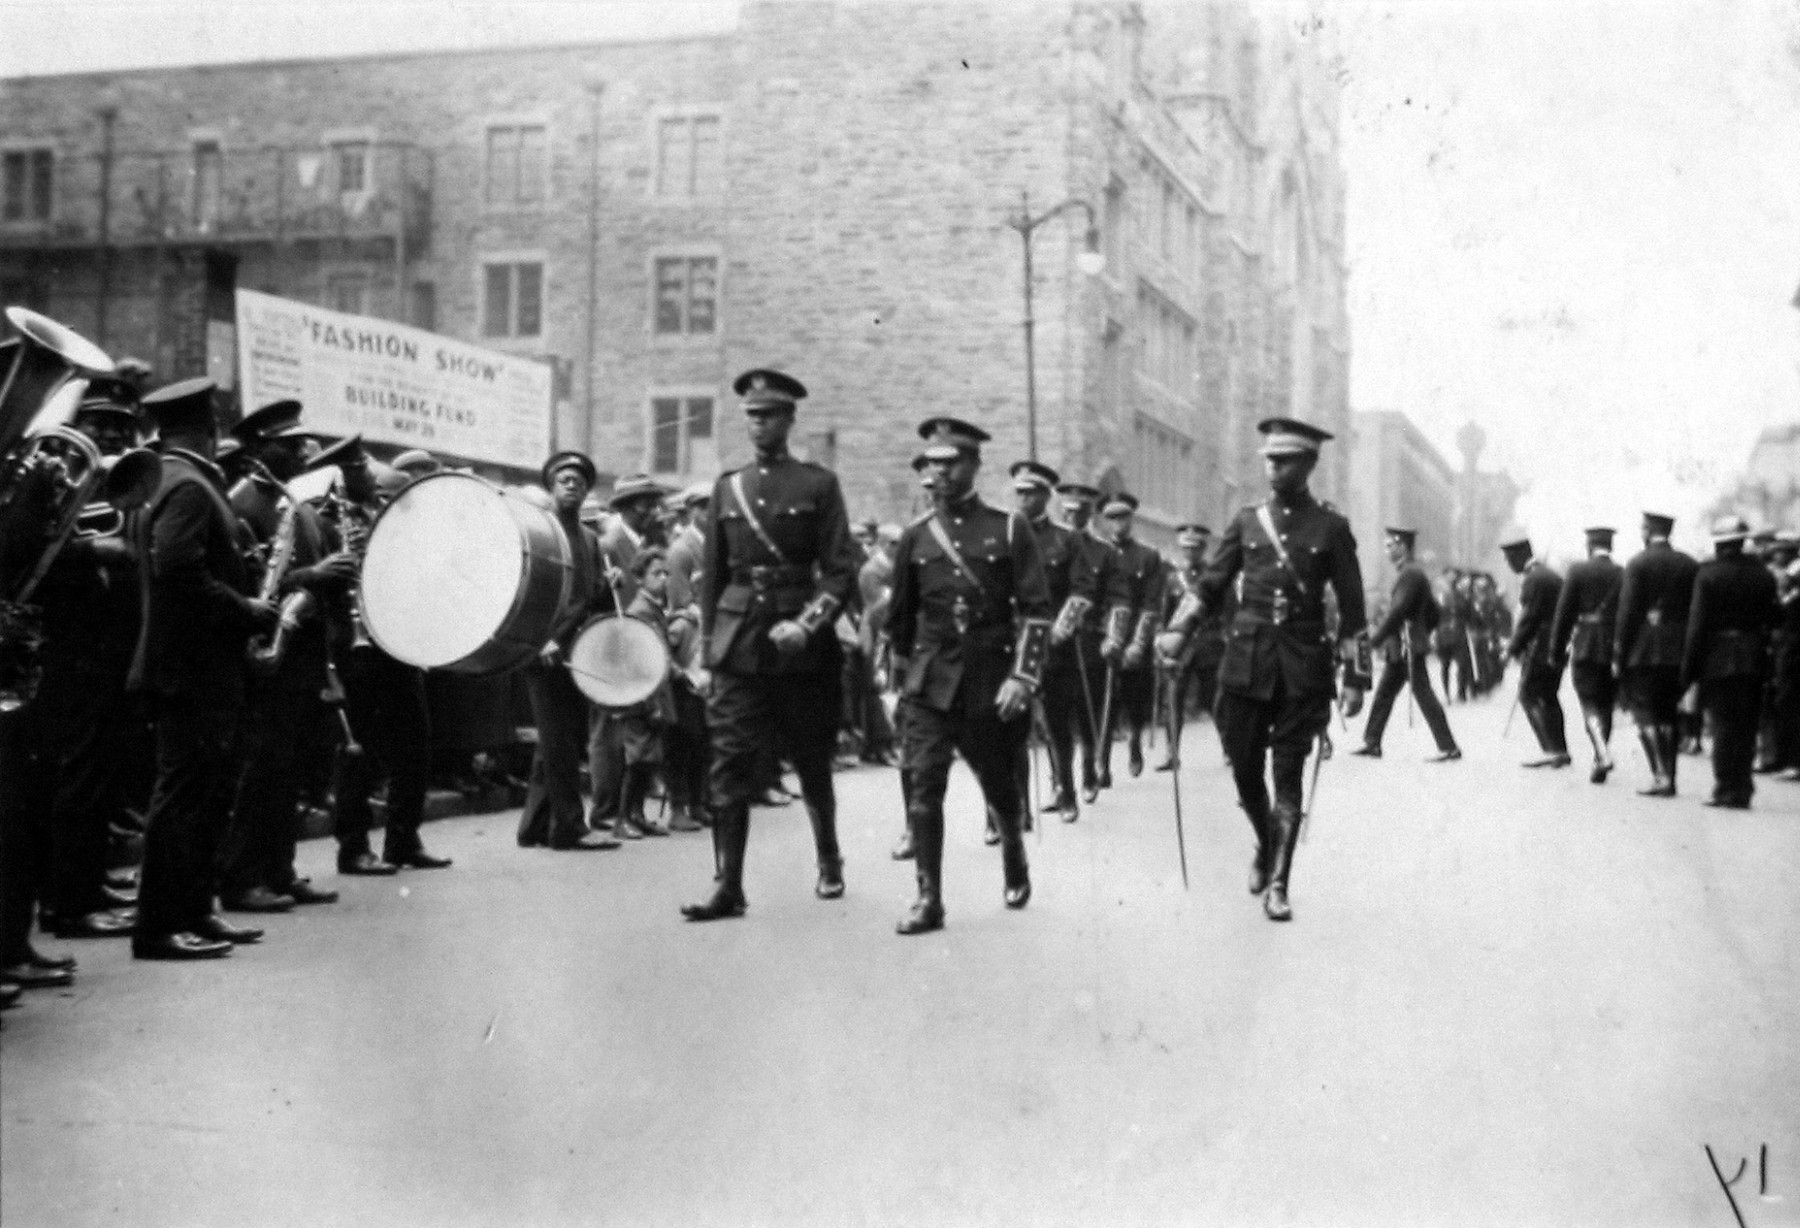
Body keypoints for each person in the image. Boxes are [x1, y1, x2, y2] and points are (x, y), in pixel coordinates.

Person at [1157, 417, 1369, 922]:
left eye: (1286, 459)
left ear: (1309, 464)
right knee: (1246, 768)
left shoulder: (1331, 529)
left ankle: (1279, 882)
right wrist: (1179, 630)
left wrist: (1357, 678)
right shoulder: (1248, 521)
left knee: (1288, 776)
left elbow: (1355, 609)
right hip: (1246, 663)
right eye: (1270, 459)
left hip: (1303, 666)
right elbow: (1211, 583)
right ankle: (1266, 841)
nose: (1275, 467)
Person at [681, 369, 860, 921]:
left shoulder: (818, 485)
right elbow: (711, 576)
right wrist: (706, 651)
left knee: (811, 757)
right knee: (729, 764)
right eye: (753, 416)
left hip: (800, 648)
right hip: (738, 645)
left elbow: (840, 572)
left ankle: (829, 858)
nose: (760, 424)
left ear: (789, 420)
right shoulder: (726, 487)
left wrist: (808, 624)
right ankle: (728, 884)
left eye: (770, 415)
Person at [127, 378, 277, 960]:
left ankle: (194, 912)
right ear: (208, 429)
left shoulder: (169, 478)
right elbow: (179, 572)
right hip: (191, 671)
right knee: (185, 799)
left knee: (203, 796)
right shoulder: (188, 485)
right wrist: (248, 609)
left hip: (191, 668)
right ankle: (160, 927)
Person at [886, 418, 1051, 934]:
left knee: (999, 783)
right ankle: (928, 898)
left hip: (990, 680)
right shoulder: (915, 537)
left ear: (975, 464)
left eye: (951, 462)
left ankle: (1014, 853)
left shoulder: (1008, 528)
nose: (940, 473)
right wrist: (902, 683)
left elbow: (1037, 611)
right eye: (933, 463)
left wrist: (1022, 679)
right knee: (924, 785)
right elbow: (900, 623)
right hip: (931, 683)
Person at [218, 399, 349, 911]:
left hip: (298, 653)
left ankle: (279, 870)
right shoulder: (245, 503)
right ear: (258, 448)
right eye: (288, 443)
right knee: (262, 772)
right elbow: (250, 583)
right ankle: (241, 877)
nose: (302, 450)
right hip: (267, 654)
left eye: (301, 441)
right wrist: (313, 579)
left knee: (285, 772)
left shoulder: (287, 499)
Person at [310, 435, 452, 871]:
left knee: (415, 745)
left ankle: (403, 839)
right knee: (360, 752)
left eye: (365, 464)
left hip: (393, 643)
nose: (368, 473)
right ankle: (353, 847)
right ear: (336, 476)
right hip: (354, 650)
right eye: (355, 468)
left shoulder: (380, 514)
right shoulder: (321, 521)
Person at [517, 450, 616, 851]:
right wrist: (542, 640)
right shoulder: (541, 531)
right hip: (546, 651)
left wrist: (610, 583)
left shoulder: (591, 540)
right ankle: (569, 828)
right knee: (558, 742)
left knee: (558, 739)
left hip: (577, 650)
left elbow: (591, 597)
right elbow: (528, 594)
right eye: (564, 480)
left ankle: (533, 827)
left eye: (579, 481)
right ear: (552, 487)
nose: (572, 486)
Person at [1010, 460, 1090, 820]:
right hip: (1014, 643)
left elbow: (1081, 589)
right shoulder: (1007, 534)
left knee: (1058, 724)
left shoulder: (1066, 539)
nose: (1023, 499)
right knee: (1015, 727)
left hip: (1055, 646)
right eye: (1020, 492)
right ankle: (1020, 806)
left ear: (1045, 496)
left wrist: (1062, 627)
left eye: (1031, 493)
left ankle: (1067, 791)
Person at [1682, 516, 1779, 808]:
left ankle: (1725, 787)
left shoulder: (1708, 575)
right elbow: (1775, 617)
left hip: (1717, 657)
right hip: (1753, 656)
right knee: (1747, 725)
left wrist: (1689, 668)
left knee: (1723, 725)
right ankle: (1744, 787)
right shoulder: (1762, 575)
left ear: (1718, 544)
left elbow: (1697, 625)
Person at [1353, 527, 1460, 761]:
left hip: (1406, 647)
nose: (1387, 550)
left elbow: (1398, 611)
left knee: (1423, 694)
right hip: (1405, 646)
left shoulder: (1410, 574)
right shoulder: (1412, 573)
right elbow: (1433, 610)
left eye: (1390, 545)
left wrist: (1378, 639)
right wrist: (1421, 630)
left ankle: (1449, 746)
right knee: (1385, 694)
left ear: (1402, 546)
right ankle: (1372, 742)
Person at [1613, 511, 1700, 797]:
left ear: (1648, 531)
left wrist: (1619, 652)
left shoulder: (1638, 563)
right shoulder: (1689, 564)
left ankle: (1659, 775)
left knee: (1644, 712)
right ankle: (1670, 776)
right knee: (1669, 713)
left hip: (1645, 649)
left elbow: (1627, 612)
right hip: (1679, 649)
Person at [1049, 481, 1122, 805]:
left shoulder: (1104, 552)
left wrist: (1114, 637)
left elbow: (1117, 599)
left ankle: (1090, 769)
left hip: (1089, 641)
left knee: (1086, 708)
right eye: (1067, 510)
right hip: (1051, 641)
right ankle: (1061, 783)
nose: (1072, 517)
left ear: (1090, 513)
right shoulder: (1047, 544)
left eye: (1079, 512)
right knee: (1054, 715)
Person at [612, 549, 681, 834]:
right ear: (639, 579)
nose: (664, 579)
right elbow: (644, 661)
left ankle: (637, 814)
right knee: (638, 759)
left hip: (655, 693)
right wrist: (651, 703)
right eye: (656, 574)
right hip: (642, 696)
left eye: (666, 573)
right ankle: (622, 818)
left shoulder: (653, 608)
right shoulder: (640, 612)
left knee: (649, 757)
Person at [1096, 492, 1164, 781]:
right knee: (1104, 701)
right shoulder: (1097, 554)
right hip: (1104, 636)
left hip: (1137, 636)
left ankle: (1135, 738)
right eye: (1111, 518)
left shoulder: (1147, 557)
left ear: (1131, 520)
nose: (1117, 524)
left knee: (1136, 697)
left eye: (1122, 518)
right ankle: (1102, 763)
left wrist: (1138, 643)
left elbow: (1151, 603)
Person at [1550, 526, 1624, 783]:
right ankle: (1598, 756)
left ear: (1589, 546)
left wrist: (1555, 650)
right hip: (1612, 647)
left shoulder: (1577, 571)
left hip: (1585, 645)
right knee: (1606, 703)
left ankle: (1601, 753)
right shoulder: (1621, 573)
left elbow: (1563, 614)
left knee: (1589, 702)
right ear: (1610, 547)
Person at [1500, 532, 1570, 769]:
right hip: (1557, 645)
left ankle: (1551, 750)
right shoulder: (1547, 575)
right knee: (1549, 696)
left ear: (1520, 555)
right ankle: (1560, 749)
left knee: (1529, 693)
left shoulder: (1534, 579)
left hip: (1541, 646)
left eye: (1509, 558)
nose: (1508, 564)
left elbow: (1529, 619)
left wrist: (1512, 648)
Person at [1156, 523, 1222, 772]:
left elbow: (1227, 611)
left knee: (1214, 699)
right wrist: (1162, 642)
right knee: (1173, 699)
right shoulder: (1174, 579)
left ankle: (1228, 749)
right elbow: (1166, 614)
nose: (1190, 554)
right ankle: (1172, 753)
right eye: (1186, 549)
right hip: (1181, 647)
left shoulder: (1214, 577)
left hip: (1209, 644)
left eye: (1195, 549)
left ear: (1203, 550)